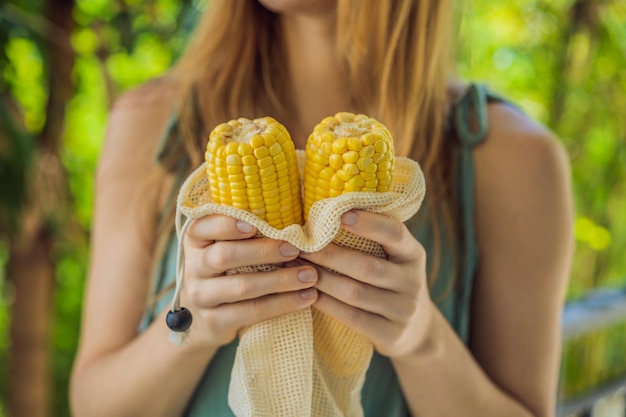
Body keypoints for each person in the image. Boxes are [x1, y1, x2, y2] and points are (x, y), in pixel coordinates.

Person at [69, 0, 574, 416]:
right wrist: (192, 327)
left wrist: (423, 341)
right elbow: (94, 405)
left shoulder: (514, 159)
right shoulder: (147, 121)